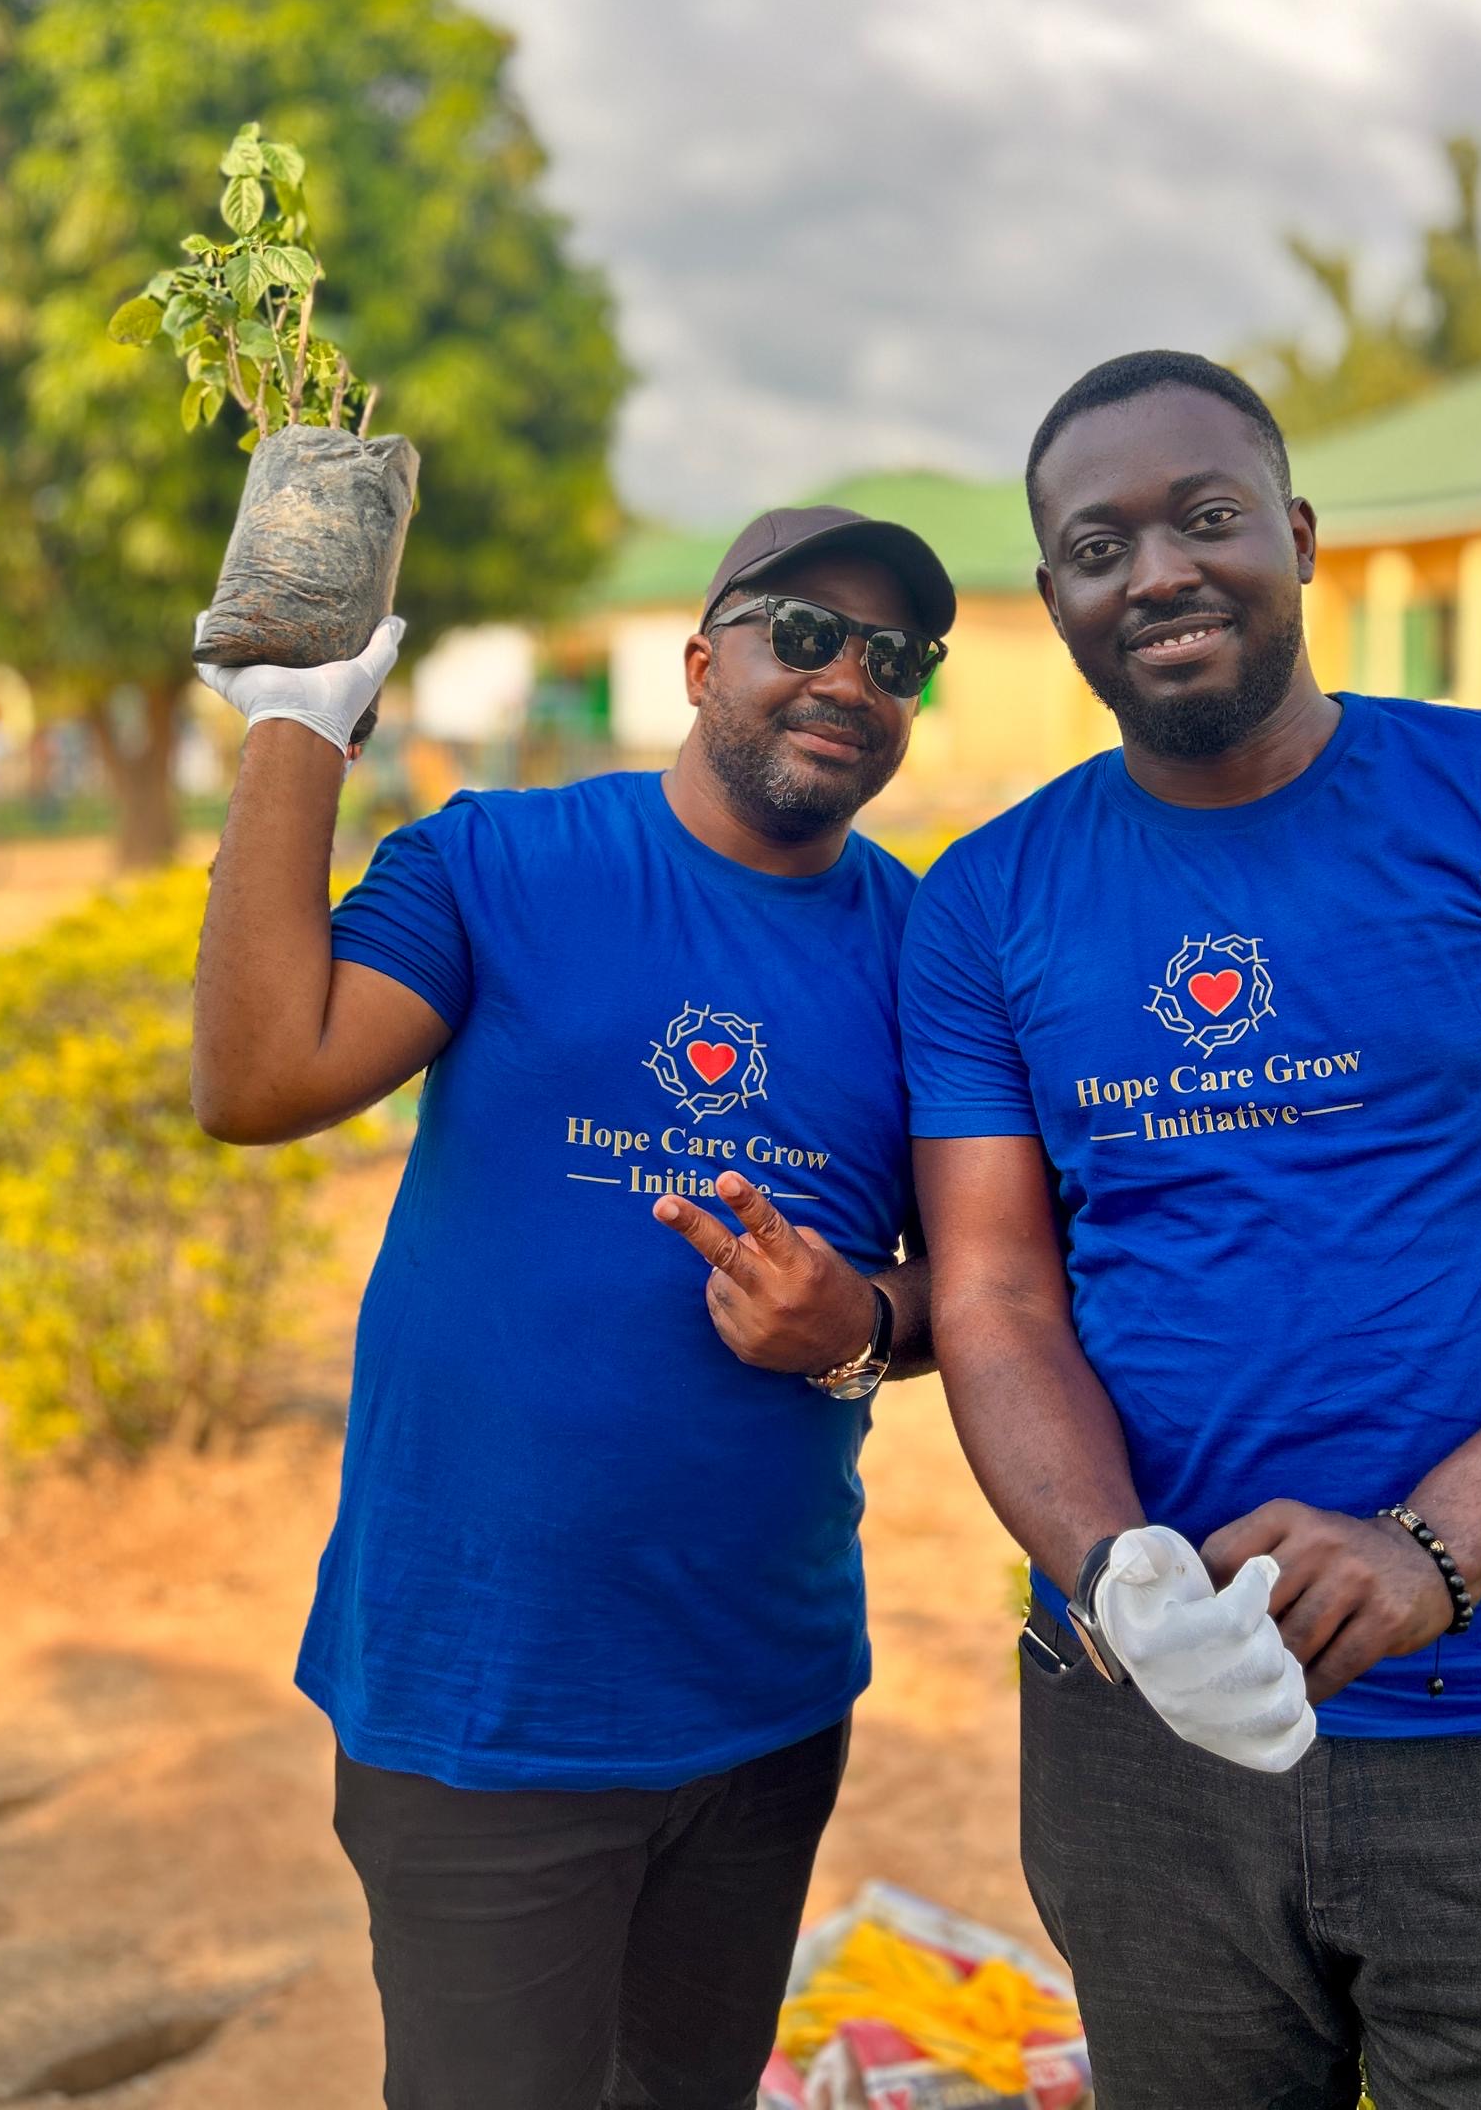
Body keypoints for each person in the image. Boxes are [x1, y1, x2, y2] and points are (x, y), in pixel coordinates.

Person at [898, 350, 1481, 2110]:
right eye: (1096, 545)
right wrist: (1114, 1575)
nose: (1156, 571)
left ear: (1297, 538)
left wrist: (1423, 1554)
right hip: (1147, 1747)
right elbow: (994, 1292)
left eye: (1206, 518)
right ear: (1056, 596)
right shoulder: (987, 898)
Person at [190, 502, 956, 2110]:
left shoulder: (928, 955)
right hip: (482, 1692)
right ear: (699, 661)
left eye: (894, 659)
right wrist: (292, 729)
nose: (848, 680)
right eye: (803, 633)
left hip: (762, 1692)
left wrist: (865, 1321)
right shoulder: (500, 861)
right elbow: (260, 1081)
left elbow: (996, 1280)